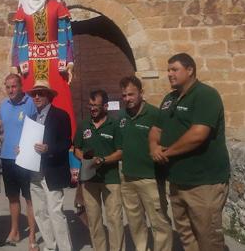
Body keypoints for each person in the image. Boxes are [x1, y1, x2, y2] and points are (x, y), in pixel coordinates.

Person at [149, 53, 230, 251]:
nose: (169, 74)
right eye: (168, 70)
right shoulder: (169, 99)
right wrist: (153, 147)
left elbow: (198, 134)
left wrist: (166, 153)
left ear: (190, 70)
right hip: (178, 181)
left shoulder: (205, 95)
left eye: (174, 69)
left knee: (208, 238)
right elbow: (156, 129)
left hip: (203, 183)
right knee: (187, 236)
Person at [11, 0, 78, 176]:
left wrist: (68, 62)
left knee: (61, 111)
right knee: (31, 110)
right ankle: (28, 155)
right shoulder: (23, 11)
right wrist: (15, 65)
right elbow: (18, 39)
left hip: (53, 64)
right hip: (29, 66)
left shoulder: (57, 7)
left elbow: (65, 35)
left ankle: (69, 161)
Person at [118, 76, 172, 251]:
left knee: (159, 223)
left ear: (141, 93)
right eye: (124, 95)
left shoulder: (155, 114)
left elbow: (166, 143)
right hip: (127, 178)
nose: (127, 99)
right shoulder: (122, 116)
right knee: (135, 222)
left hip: (151, 178)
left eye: (131, 94)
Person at [73, 89, 124, 251]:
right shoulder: (83, 124)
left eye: (96, 105)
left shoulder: (114, 124)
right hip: (89, 180)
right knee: (94, 220)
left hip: (110, 179)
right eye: (90, 105)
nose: (92, 108)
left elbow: (121, 152)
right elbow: (76, 148)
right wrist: (85, 159)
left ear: (106, 106)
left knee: (115, 220)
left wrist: (103, 160)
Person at [25, 80, 72, 251]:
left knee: (55, 213)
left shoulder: (61, 115)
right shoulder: (30, 119)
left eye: (41, 93)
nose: (36, 96)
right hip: (34, 173)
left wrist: (48, 148)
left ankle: (65, 248)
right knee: (39, 213)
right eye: (34, 94)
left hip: (53, 171)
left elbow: (67, 143)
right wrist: (21, 150)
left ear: (49, 96)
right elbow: (28, 143)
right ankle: (50, 247)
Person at [0, 73, 38, 250]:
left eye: (13, 86)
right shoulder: (3, 105)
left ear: (21, 86)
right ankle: (14, 231)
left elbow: (38, 131)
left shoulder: (30, 104)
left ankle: (32, 235)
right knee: (12, 197)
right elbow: (2, 128)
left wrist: (28, 147)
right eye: (7, 87)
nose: (10, 90)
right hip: (6, 157)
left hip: (25, 159)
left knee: (30, 199)